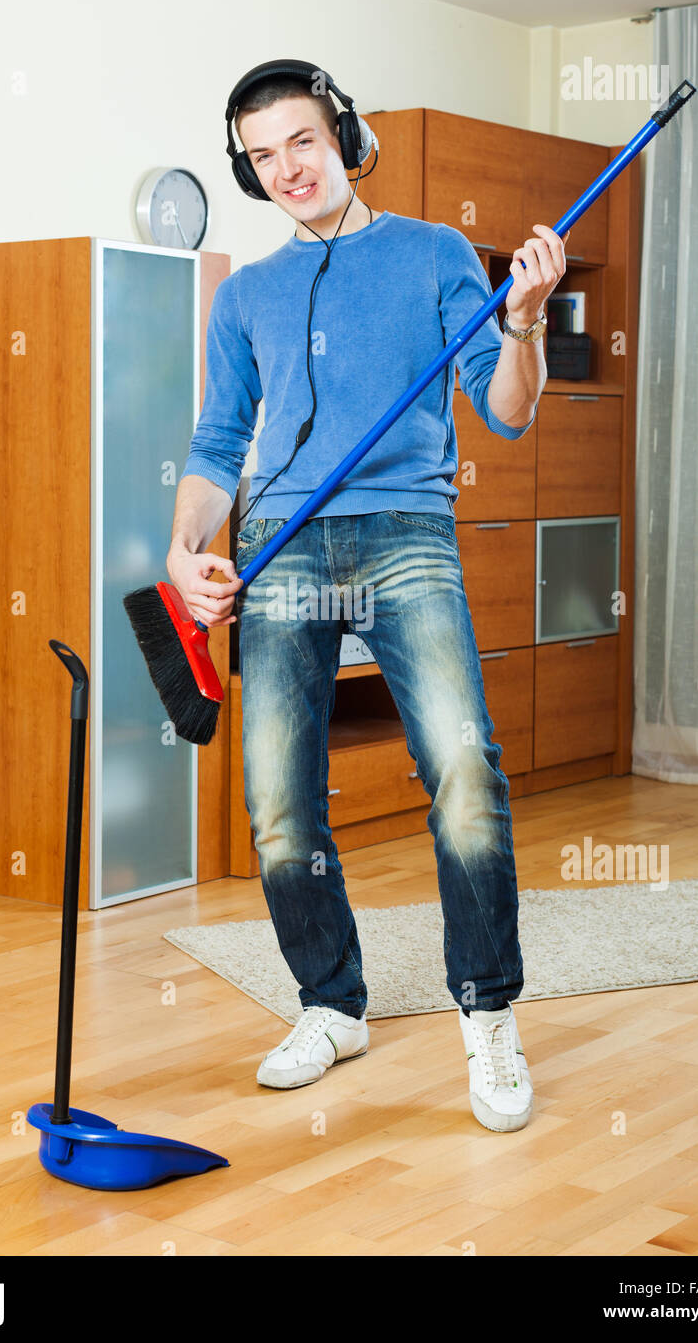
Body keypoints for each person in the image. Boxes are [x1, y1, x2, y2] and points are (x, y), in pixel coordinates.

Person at [168, 61, 568, 1133]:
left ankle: (486, 1015)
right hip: (281, 546)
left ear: (341, 136)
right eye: (260, 156)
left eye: (299, 140)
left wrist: (522, 317)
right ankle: (328, 1003)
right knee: (280, 801)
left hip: (402, 532)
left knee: (461, 768)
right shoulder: (245, 294)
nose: (285, 168)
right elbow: (216, 444)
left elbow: (507, 410)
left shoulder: (433, 254)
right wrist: (184, 548)